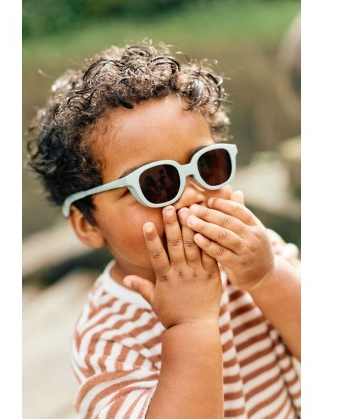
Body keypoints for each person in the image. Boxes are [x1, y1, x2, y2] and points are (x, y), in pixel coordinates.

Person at [27, 42, 301, 418]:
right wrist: (190, 324)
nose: (192, 195)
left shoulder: (255, 256)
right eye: (156, 182)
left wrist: (267, 276)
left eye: (208, 165)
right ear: (87, 224)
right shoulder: (109, 336)